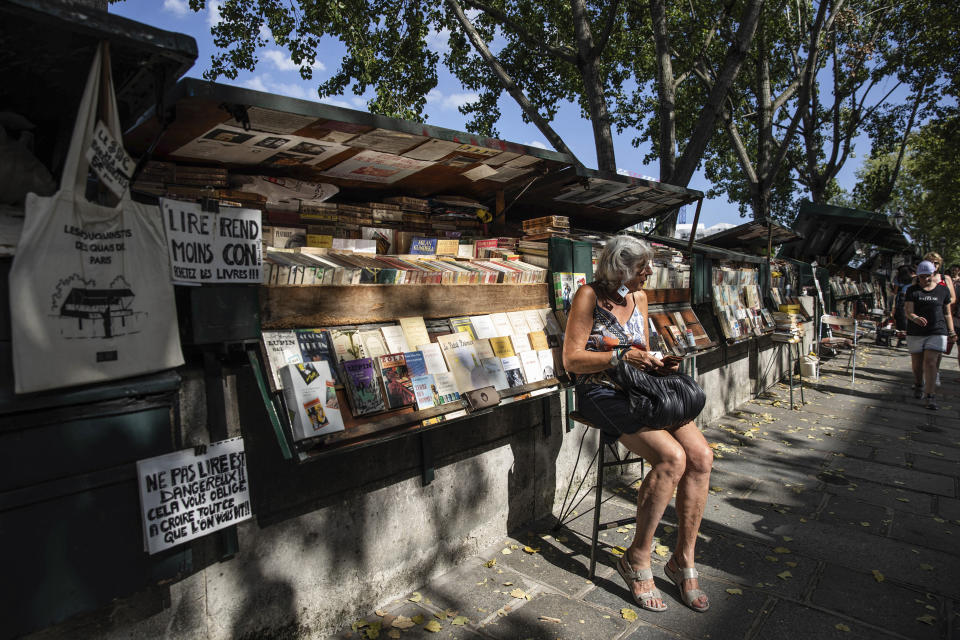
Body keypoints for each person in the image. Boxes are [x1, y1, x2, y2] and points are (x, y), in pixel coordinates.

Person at [562, 235, 712, 613]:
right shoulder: (588, 296)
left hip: (642, 389)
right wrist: (619, 357)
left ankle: (683, 560)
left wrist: (658, 362)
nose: (649, 272)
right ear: (620, 268)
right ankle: (637, 558)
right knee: (671, 458)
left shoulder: (640, 297)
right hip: (600, 392)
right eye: (643, 266)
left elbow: (641, 351)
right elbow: (573, 361)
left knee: (700, 456)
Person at [905, 260, 956, 409]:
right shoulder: (912, 291)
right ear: (918, 276)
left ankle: (930, 395)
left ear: (934, 274)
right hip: (916, 331)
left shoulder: (943, 291)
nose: (926, 279)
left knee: (931, 362)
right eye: (922, 277)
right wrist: (915, 318)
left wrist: (951, 331)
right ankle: (919, 383)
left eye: (929, 276)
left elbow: (947, 313)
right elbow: (908, 311)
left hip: (937, 330)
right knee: (917, 365)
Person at [892, 265, 914, 348]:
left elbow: (895, 291)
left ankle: (901, 339)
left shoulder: (898, 278)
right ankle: (906, 339)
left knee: (901, 319)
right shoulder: (914, 278)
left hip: (901, 298)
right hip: (909, 298)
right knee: (907, 319)